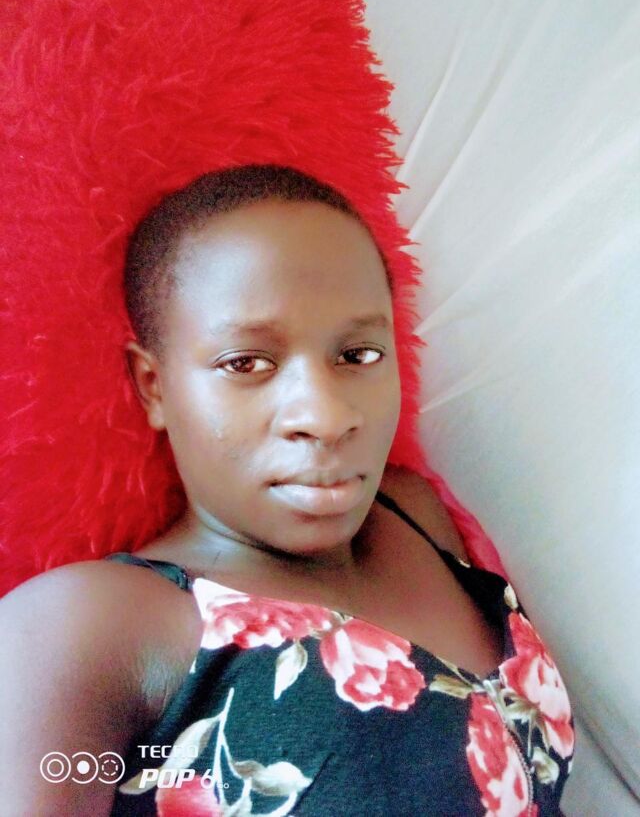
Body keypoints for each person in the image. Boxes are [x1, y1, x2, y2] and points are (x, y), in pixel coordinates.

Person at [0, 164, 574, 815]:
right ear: (154, 386)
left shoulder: (414, 515)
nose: (325, 417)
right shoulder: (86, 629)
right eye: (246, 363)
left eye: (358, 355)